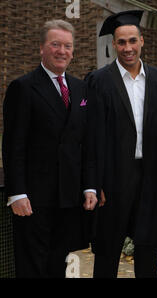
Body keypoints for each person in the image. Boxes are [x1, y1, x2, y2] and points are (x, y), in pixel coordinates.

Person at [85, 10, 157, 278]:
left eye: (132, 41)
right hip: (113, 179)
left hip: (150, 177)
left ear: (142, 41)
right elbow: (90, 137)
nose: (127, 48)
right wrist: (96, 182)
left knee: (148, 253)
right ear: (114, 44)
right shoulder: (98, 81)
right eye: (121, 42)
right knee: (107, 253)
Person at [2, 20, 97, 278]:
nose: (61, 51)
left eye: (67, 46)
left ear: (73, 51)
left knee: (58, 265)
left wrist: (89, 186)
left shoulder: (80, 88)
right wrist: (17, 193)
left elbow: (85, 142)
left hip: (68, 198)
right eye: (55, 44)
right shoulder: (23, 88)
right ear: (41, 48)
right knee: (32, 266)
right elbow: (13, 145)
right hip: (33, 199)